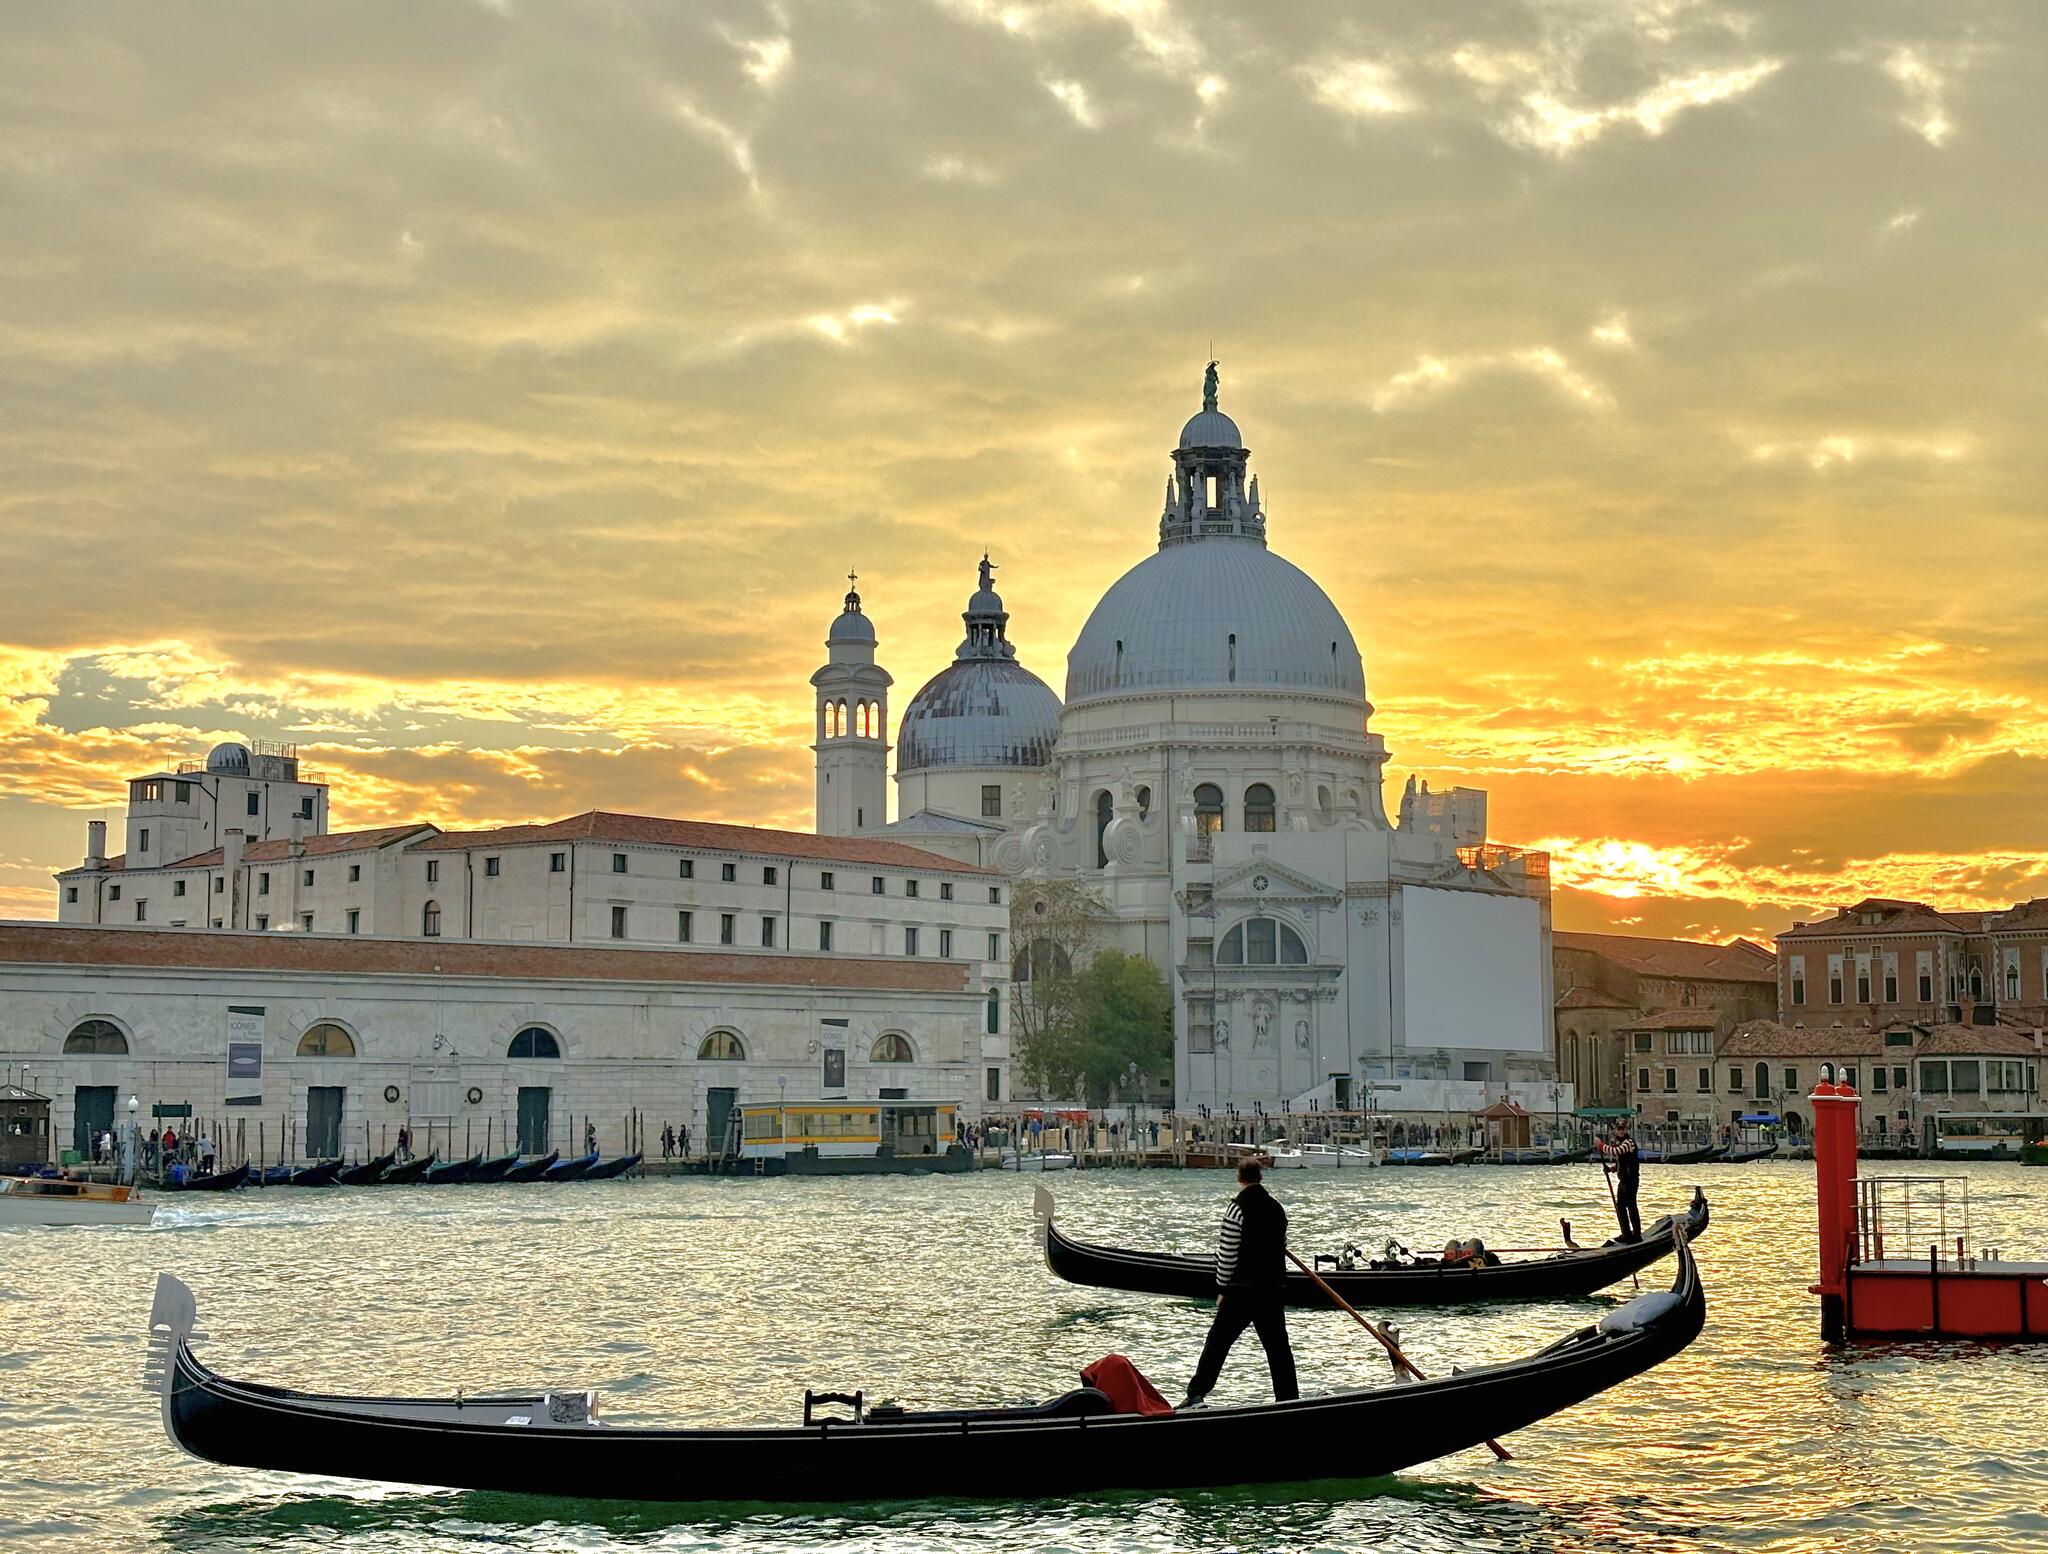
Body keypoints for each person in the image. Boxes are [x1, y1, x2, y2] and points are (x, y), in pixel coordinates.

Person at [1181, 1160, 1299, 1407]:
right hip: (1272, 1288)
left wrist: (1222, 1288)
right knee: (1278, 1348)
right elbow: (1280, 1246)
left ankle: (1196, 1394)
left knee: (1217, 1343)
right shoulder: (1277, 1209)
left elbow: (1227, 1254)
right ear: (1260, 1177)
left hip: (1242, 1291)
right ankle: (1289, 1400)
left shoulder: (1236, 1209)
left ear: (1239, 1178)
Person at [1602, 1118, 1642, 1242]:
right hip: (1624, 1180)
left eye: (1622, 1129)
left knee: (1631, 1206)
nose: (1620, 1131)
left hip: (1631, 1180)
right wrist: (1612, 1169)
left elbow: (1615, 1152)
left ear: (1626, 1130)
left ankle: (1636, 1235)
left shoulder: (1628, 1143)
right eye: (1618, 1129)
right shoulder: (1622, 1144)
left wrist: (1600, 1145)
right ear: (1615, 1131)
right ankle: (1626, 1233)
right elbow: (1622, 1163)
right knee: (1620, 1206)